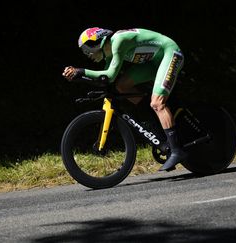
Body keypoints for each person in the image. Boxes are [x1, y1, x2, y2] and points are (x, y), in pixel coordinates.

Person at [62, 27, 186, 171]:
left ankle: (177, 150)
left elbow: (110, 74)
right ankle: (154, 118)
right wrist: (79, 78)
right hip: (154, 63)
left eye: (87, 49)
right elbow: (107, 80)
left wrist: (81, 71)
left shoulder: (119, 41)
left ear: (98, 41)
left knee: (157, 102)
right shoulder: (110, 53)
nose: (87, 54)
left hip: (170, 53)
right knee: (122, 85)